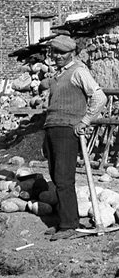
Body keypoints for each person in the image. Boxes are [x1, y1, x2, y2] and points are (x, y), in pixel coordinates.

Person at [41, 34, 106, 238]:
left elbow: (99, 97)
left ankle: (70, 225)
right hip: (52, 128)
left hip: (67, 131)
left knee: (63, 177)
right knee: (54, 174)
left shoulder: (78, 72)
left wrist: (85, 121)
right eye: (55, 52)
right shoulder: (59, 75)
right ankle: (63, 221)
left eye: (62, 53)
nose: (57, 56)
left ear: (72, 53)